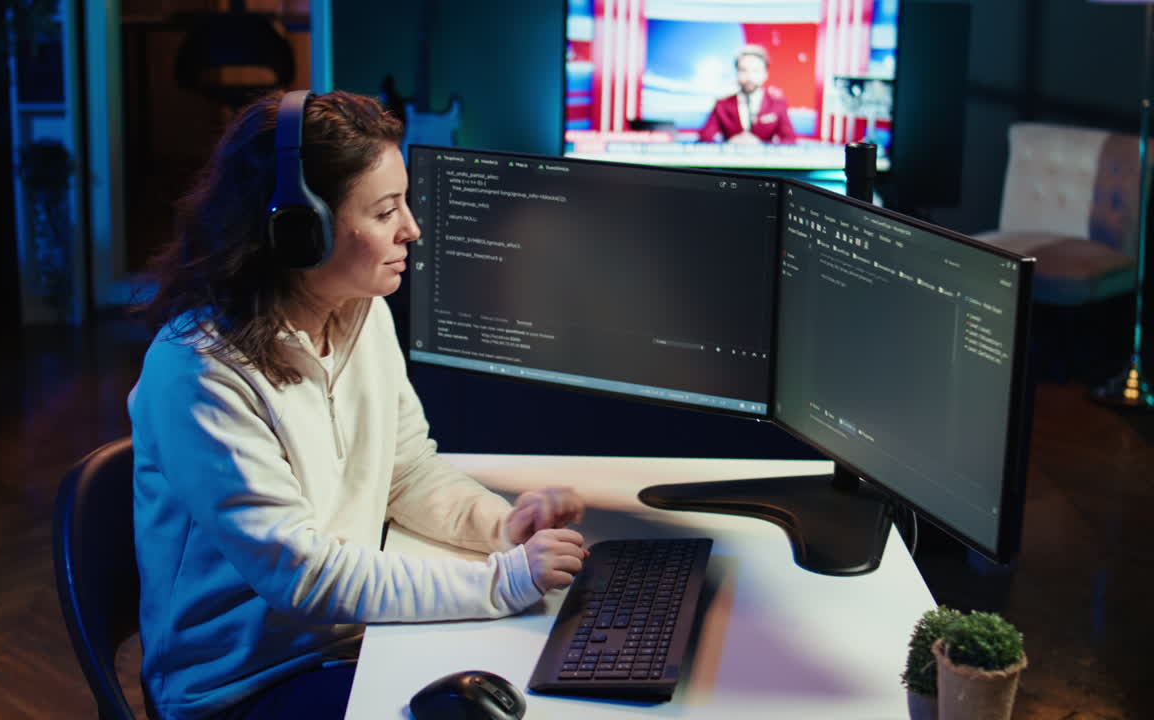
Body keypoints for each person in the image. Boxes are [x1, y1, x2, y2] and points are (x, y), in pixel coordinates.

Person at [129, 89, 588, 720]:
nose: (412, 229)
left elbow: (404, 469)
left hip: (352, 642)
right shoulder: (197, 371)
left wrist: (496, 527)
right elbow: (304, 577)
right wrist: (500, 583)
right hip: (243, 689)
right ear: (297, 230)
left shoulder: (360, 311)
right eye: (384, 211)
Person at [697, 44, 797, 145]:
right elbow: (704, 138)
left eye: (755, 71)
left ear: (765, 74)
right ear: (736, 73)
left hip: (765, 159)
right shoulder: (722, 105)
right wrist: (730, 143)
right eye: (743, 70)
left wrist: (762, 145)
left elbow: (789, 139)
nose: (749, 76)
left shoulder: (777, 104)